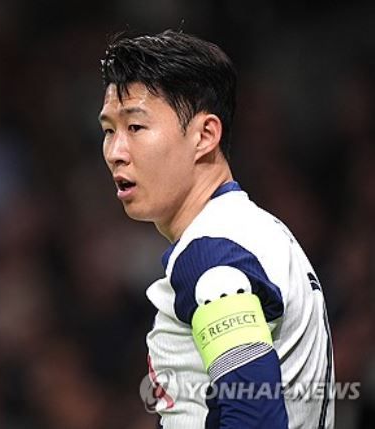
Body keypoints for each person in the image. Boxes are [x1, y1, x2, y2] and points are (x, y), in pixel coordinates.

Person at [98, 30, 334, 428]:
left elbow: (255, 420)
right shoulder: (257, 231)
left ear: (205, 135)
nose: (116, 152)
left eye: (135, 127)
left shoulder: (213, 255)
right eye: (108, 131)